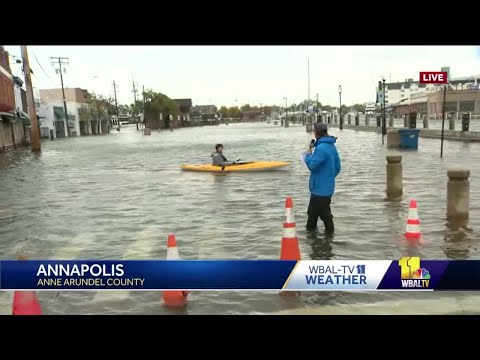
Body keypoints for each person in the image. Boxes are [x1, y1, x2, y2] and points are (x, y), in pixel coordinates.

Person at [304, 123, 341, 233]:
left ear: (316, 133)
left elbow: (312, 166)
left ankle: (317, 242)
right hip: (328, 188)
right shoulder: (331, 146)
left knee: (315, 215)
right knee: (321, 213)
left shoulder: (320, 149)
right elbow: (338, 167)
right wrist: (329, 177)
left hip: (319, 190)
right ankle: (326, 243)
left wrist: (308, 155)